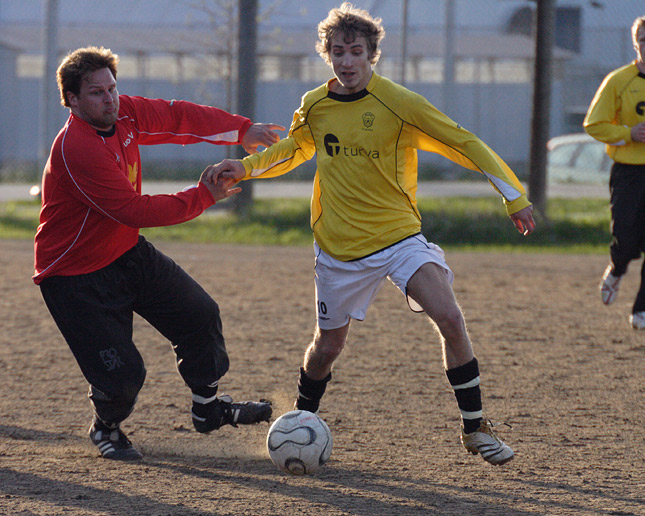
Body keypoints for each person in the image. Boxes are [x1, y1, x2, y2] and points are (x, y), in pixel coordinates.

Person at [210, 3, 535, 466]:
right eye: (338, 52)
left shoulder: (399, 103)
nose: (347, 61)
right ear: (328, 55)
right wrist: (242, 168)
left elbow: (463, 141)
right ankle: (303, 421)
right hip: (338, 248)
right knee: (327, 348)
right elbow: (292, 151)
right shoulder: (316, 106)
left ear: (371, 55)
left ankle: (475, 428)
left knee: (450, 317)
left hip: (399, 238)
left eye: (356, 51)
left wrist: (514, 196)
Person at [33, 46, 284, 461]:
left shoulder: (124, 112)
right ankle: (106, 427)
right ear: (72, 100)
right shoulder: (76, 149)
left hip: (126, 251)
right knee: (124, 378)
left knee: (199, 316)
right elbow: (133, 210)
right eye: (96, 93)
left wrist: (240, 130)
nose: (109, 98)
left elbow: (175, 116)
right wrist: (203, 196)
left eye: (112, 88)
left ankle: (208, 410)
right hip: (74, 277)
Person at [584, 15, 645, 330]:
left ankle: (641, 310)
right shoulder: (618, 80)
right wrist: (627, 133)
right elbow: (593, 123)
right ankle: (618, 268)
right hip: (628, 173)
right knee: (625, 237)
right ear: (636, 44)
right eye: (644, 41)